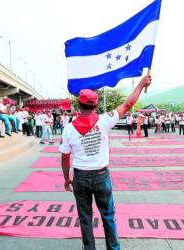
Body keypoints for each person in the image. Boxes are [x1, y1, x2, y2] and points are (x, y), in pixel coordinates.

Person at [59, 75, 151, 250]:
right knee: (108, 216)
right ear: (96, 105)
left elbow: (65, 157)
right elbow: (128, 104)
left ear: (79, 105)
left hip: (80, 177)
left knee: (85, 217)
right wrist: (141, 84)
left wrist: (66, 178)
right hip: (101, 176)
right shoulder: (105, 120)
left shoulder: (69, 128)